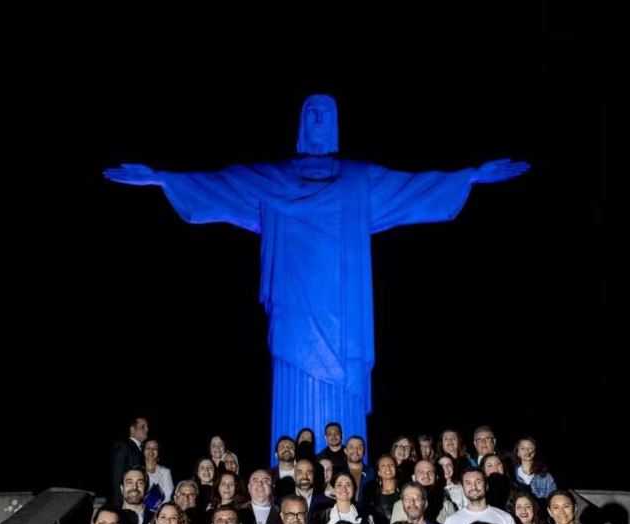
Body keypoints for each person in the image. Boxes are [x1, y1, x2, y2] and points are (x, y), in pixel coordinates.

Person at [104, 94, 529, 453]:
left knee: (345, 417)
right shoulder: (273, 178)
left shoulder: (359, 180)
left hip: (344, 323)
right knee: (292, 410)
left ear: (338, 123)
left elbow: (414, 188)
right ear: (301, 124)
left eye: (327, 112)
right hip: (293, 313)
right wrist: (162, 180)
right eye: (312, 112)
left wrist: (470, 176)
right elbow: (220, 185)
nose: (319, 119)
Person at [443, 467, 521, 524]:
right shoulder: (451, 521)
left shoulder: (505, 517)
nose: (474, 487)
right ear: (462, 488)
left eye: (478, 482)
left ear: (486, 486)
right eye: (468, 483)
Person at [110, 417, 148, 505]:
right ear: (132, 429)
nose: (147, 429)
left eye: (147, 427)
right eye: (143, 426)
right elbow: (117, 479)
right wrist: (121, 505)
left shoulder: (140, 449)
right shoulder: (123, 447)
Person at [512, 436, 557, 501]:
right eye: (522, 448)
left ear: (535, 451)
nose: (527, 451)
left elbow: (553, 499)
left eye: (530, 448)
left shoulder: (546, 477)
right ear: (517, 453)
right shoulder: (511, 473)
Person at [141, 439, 174, 505]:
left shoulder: (165, 472)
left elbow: (168, 496)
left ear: (158, 452)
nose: (151, 450)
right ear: (143, 451)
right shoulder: (137, 471)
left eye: (154, 448)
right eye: (148, 448)